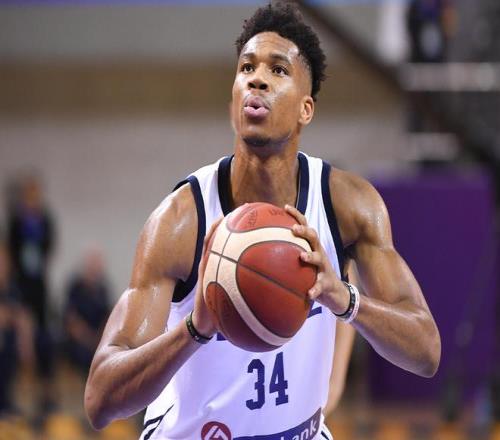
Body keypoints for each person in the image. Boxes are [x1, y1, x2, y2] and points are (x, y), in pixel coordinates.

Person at [85, 3, 441, 439]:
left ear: (306, 109)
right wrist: (195, 330)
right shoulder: (181, 221)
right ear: (234, 97)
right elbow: (100, 400)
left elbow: (426, 351)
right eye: (247, 67)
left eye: (278, 70)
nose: (257, 79)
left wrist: (344, 299)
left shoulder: (348, 206)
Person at [7, 174, 56, 412]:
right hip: (22, 285)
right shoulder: (16, 221)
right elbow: (13, 250)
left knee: (45, 339)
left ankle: (46, 393)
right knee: (22, 341)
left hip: (38, 285)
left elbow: (49, 247)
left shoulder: (44, 219)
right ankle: (20, 393)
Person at [63, 247, 111, 375]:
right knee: (86, 355)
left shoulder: (103, 289)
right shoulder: (75, 288)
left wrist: (100, 339)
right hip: (79, 340)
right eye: (92, 264)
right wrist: (89, 339)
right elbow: (71, 320)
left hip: (98, 339)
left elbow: (108, 317)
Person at [0, 242, 33, 415]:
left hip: (8, 338)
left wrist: (25, 340)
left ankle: (6, 400)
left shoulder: (12, 288)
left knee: (13, 342)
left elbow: (21, 314)